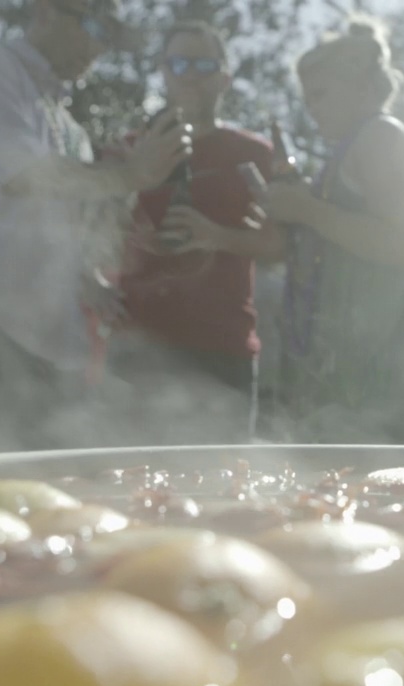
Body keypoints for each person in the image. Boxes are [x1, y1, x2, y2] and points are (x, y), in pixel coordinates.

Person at [0, 0, 191, 457]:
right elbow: (23, 176)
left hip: (50, 351)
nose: (100, 45)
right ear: (44, 10)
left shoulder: (68, 127)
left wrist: (89, 279)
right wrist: (131, 176)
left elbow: (55, 227)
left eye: (109, 32)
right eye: (93, 24)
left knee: (45, 512)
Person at [104, 20, 282, 445]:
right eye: (178, 63)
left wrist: (216, 236)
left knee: (223, 492)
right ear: (163, 71)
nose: (189, 74)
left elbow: (281, 247)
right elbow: (90, 235)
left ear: (225, 76)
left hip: (222, 349)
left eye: (203, 64)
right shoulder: (127, 151)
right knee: (127, 488)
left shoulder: (255, 154)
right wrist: (93, 280)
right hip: (135, 350)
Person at [266, 16, 404, 444]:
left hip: (375, 365)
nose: (312, 109)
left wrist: (306, 210)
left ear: (361, 86)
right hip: (339, 369)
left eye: (321, 94)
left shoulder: (381, 135)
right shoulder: (351, 146)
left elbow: (403, 244)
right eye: (307, 100)